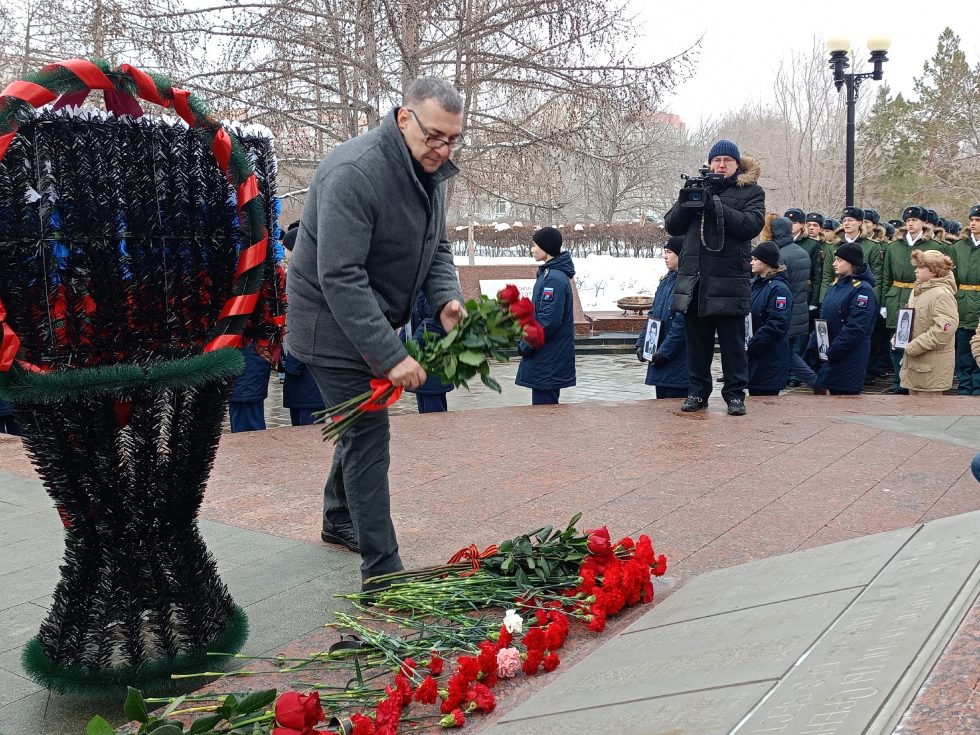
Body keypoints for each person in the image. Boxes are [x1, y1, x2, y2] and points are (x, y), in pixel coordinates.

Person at [285, 78, 467, 592]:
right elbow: (340, 276)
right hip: (327, 324)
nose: (443, 150)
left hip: (370, 318)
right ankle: (383, 573)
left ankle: (338, 517)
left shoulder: (429, 170)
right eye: (434, 136)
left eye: (453, 140)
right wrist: (391, 356)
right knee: (369, 436)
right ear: (404, 118)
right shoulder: (355, 172)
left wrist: (446, 299)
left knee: (356, 422)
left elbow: (436, 247)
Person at [665, 139, 765, 416]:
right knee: (697, 345)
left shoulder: (751, 191)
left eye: (727, 161)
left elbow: (751, 225)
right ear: (709, 163)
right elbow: (672, 225)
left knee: (733, 345)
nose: (721, 165)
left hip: (729, 282)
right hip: (696, 281)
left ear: (737, 164)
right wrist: (688, 200)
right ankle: (697, 393)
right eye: (717, 160)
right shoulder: (696, 187)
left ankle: (735, 395)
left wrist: (714, 206)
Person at [881, 205, 947, 394]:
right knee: (897, 342)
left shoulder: (935, 247)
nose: (910, 224)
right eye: (908, 220)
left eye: (915, 220)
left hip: (922, 295)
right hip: (897, 296)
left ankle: (915, 380)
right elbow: (886, 277)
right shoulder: (894, 247)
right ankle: (898, 380)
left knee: (918, 340)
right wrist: (884, 302)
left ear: (924, 222)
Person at [515, 226, 576, 404]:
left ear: (546, 247)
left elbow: (548, 321)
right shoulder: (549, 274)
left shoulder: (554, 279)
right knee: (544, 410)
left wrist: (527, 344)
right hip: (547, 357)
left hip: (548, 358)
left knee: (545, 410)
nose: (532, 249)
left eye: (535, 245)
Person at [809, 242, 878, 395]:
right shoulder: (834, 286)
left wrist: (833, 349)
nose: (834, 263)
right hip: (830, 354)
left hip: (848, 357)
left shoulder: (863, 290)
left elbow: (856, 327)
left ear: (851, 263)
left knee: (845, 398)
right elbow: (824, 317)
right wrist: (815, 343)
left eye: (839, 260)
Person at [280, 224, 326, 426]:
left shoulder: (309, 278)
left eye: (286, 248)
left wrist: (294, 360)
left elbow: (309, 321)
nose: (284, 252)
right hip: (298, 367)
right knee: (299, 424)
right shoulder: (298, 274)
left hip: (306, 366)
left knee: (309, 427)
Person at [899, 250, 958, 394]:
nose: (916, 270)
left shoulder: (942, 295)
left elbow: (945, 329)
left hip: (931, 368)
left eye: (921, 267)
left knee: (929, 406)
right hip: (915, 365)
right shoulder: (919, 289)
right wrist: (901, 336)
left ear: (933, 271)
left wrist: (915, 346)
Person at [636, 236, 688, 399]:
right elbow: (653, 314)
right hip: (660, 360)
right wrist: (642, 343)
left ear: (682, 254)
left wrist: (664, 353)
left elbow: (682, 324)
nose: (665, 256)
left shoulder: (688, 283)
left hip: (679, 364)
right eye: (665, 252)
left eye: (669, 252)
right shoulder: (666, 280)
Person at [768, 215, 817, 387]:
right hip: (799, 307)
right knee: (787, 350)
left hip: (785, 309)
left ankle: (813, 380)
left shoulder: (779, 255)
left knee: (785, 352)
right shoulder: (801, 251)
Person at [746, 241, 792, 396]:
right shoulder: (755, 285)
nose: (751, 262)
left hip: (770, 357)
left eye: (755, 259)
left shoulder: (779, 289)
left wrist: (753, 343)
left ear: (766, 262)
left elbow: (777, 323)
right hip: (756, 356)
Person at [403, 292, 454, 412]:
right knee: (424, 414)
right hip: (418, 365)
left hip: (432, 366)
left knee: (434, 415)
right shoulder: (414, 292)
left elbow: (435, 321)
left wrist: (410, 347)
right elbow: (407, 327)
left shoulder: (430, 290)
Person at [949, 205, 980, 394]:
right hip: (962, 301)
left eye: (978, 220)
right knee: (962, 345)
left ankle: (978, 383)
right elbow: (951, 277)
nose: (973, 223)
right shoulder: (958, 247)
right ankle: (965, 383)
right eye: (972, 220)